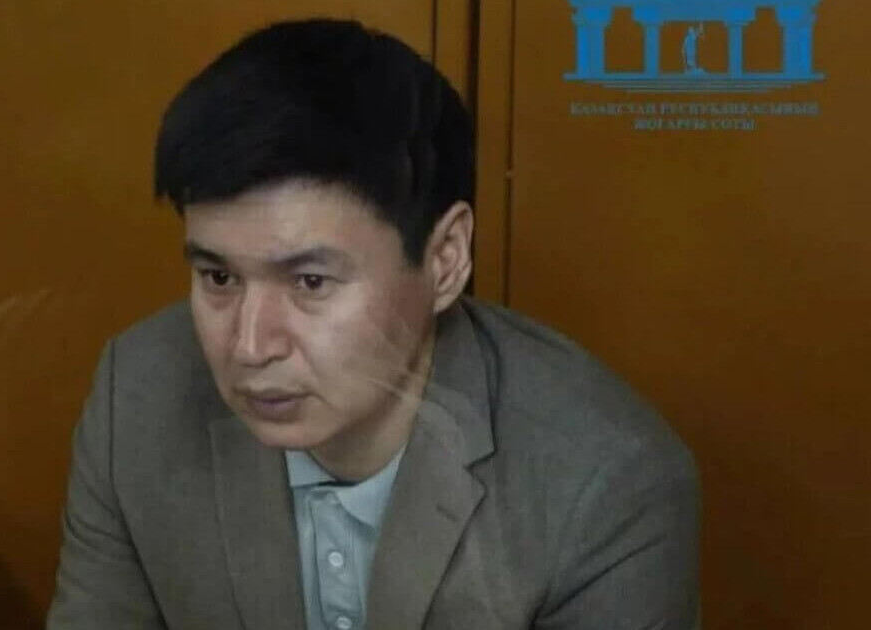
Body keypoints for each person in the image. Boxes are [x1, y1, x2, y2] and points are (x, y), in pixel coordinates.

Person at [47, 18, 699, 630]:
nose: (249, 346)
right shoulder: (137, 400)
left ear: (445, 260)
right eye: (219, 277)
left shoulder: (603, 482)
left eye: (310, 282)